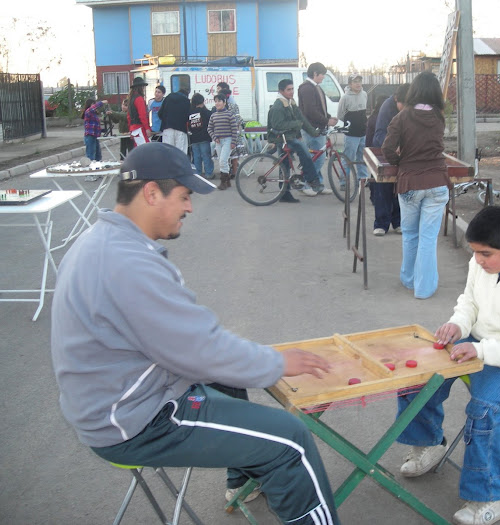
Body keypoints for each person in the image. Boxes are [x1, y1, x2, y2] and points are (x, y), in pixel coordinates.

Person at [50, 142, 341, 525]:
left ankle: (244, 477)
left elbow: (191, 342)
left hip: (115, 399)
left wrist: (252, 360)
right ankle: (275, 474)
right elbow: (201, 349)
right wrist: (278, 361)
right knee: (290, 441)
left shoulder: (102, 240)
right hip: (137, 422)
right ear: (151, 193)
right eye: (184, 196)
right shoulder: (127, 262)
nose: (189, 207)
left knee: (231, 376)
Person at [394, 206, 500, 525]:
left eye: (485, 254)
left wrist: (479, 348)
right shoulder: (483, 262)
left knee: (484, 408)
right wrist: (457, 326)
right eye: (475, 253)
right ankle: (429, 443)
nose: (477, 261)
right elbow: (469, 301)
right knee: (417, 376)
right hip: (481, 338)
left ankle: (495, 496)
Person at [381, 74, 447, 299]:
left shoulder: (402, 117)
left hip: (410, 182)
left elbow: (388, 148)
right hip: (438, 182)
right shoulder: (439, 116)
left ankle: (408, 280)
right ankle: (424, 288)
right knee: (428, 237)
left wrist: (401, 164)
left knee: (410, 234)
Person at [268, 78, 326, 200]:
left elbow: (302, 119)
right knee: (303, 151)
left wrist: (313, 132)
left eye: (292, 89)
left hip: (288, 136)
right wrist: (296, 124)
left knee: (285, 166)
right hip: (283, 137)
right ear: (281, 91)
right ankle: (312, 180)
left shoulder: (290, 102)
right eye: (288, 90)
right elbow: (277, 125)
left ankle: (285, 194)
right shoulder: (279, 105)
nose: (291, 92)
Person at [371, 84, 409, 236]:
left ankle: (398, 222)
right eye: (403, 104)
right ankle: (381, 223)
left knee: (401, 188)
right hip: (384, 150)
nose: (406, 108)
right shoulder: (387, 108)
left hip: (403, 154)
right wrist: (394, 147)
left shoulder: (412, 108)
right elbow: (380, 135)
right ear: (395, 99)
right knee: (384, 187)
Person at [297, 62, 336, 194]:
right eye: (322, 75)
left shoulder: (315, 87)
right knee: (317, 158)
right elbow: (310, 111)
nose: (323, 77)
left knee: (317, 156)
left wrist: (329, 117)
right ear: (315, 74)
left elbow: (320, 108)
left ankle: (317, 183)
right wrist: (326, 120)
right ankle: (306, 184)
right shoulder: (307, 88)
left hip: (318, 127)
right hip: (311, 129)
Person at [337, 72, 369, 189]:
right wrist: (350, 122)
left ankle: (363, 179)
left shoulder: (364, 94)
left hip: (362, 132)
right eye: (355, 82)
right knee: (348, 158)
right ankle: (344, 182)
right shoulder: (345, 97)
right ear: (350, 84)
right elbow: (340, 115)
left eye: (359, 81)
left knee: (362, 157)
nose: (358, 84)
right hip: (351, 134)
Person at [207, 93, 239, 190]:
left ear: (224, 102)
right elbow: (209, 129)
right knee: (222, 161)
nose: (217, 103)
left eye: (219, 101)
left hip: (228, 140)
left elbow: (234, 129)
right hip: (218, 141)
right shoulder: (213, 115)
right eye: (216, 101)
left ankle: (223, 181)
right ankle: (227, 180)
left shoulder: (230, 115)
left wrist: (233, 142)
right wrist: (214, 137)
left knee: (223, 160)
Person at [365, 96, 386, 205]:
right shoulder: (380, 118)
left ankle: (373, 196)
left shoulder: (373, 117)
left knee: (374, 174)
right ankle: (375, 197)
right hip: (377, 150)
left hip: (371, 148)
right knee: (378, 176)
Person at [158, 84, 191, 154]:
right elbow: (188, 117)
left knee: (168, 153)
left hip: (167, 128)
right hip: (181, 129)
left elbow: (160, 113)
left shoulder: (168, 98)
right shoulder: (186, 101)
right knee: (180, 153)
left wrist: (166, 120)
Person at [188, 93, 214, 179]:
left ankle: (197, 173)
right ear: (202, 101)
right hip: (204, 137)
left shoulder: (190, 113)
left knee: (196, 156)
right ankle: (208, 173)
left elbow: (189, 125)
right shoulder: (206, 112)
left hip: (194, 138)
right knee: (206, 155)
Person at [82, 97, 108, 163]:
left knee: (98, 156)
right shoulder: (88, 112)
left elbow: (94, 126)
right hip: (90, 136)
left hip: (95, 136)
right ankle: (90, 171)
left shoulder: (94, 114)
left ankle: (97, 170)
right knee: (91, 156)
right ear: (91, 104)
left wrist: (102, 130)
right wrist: (101, 102)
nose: (96, 107)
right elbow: (92, 108)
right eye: (94, 104)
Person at [128, 76, 151, 147]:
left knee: (139, 150)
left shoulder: (131, 99)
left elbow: (129, 116)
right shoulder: (139, 98)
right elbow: (142, 115)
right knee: (147, 149)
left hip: (134, 128)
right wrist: (147, 128)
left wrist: (130, 129)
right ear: (140, 87)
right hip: (140, 128)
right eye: (143, 87)